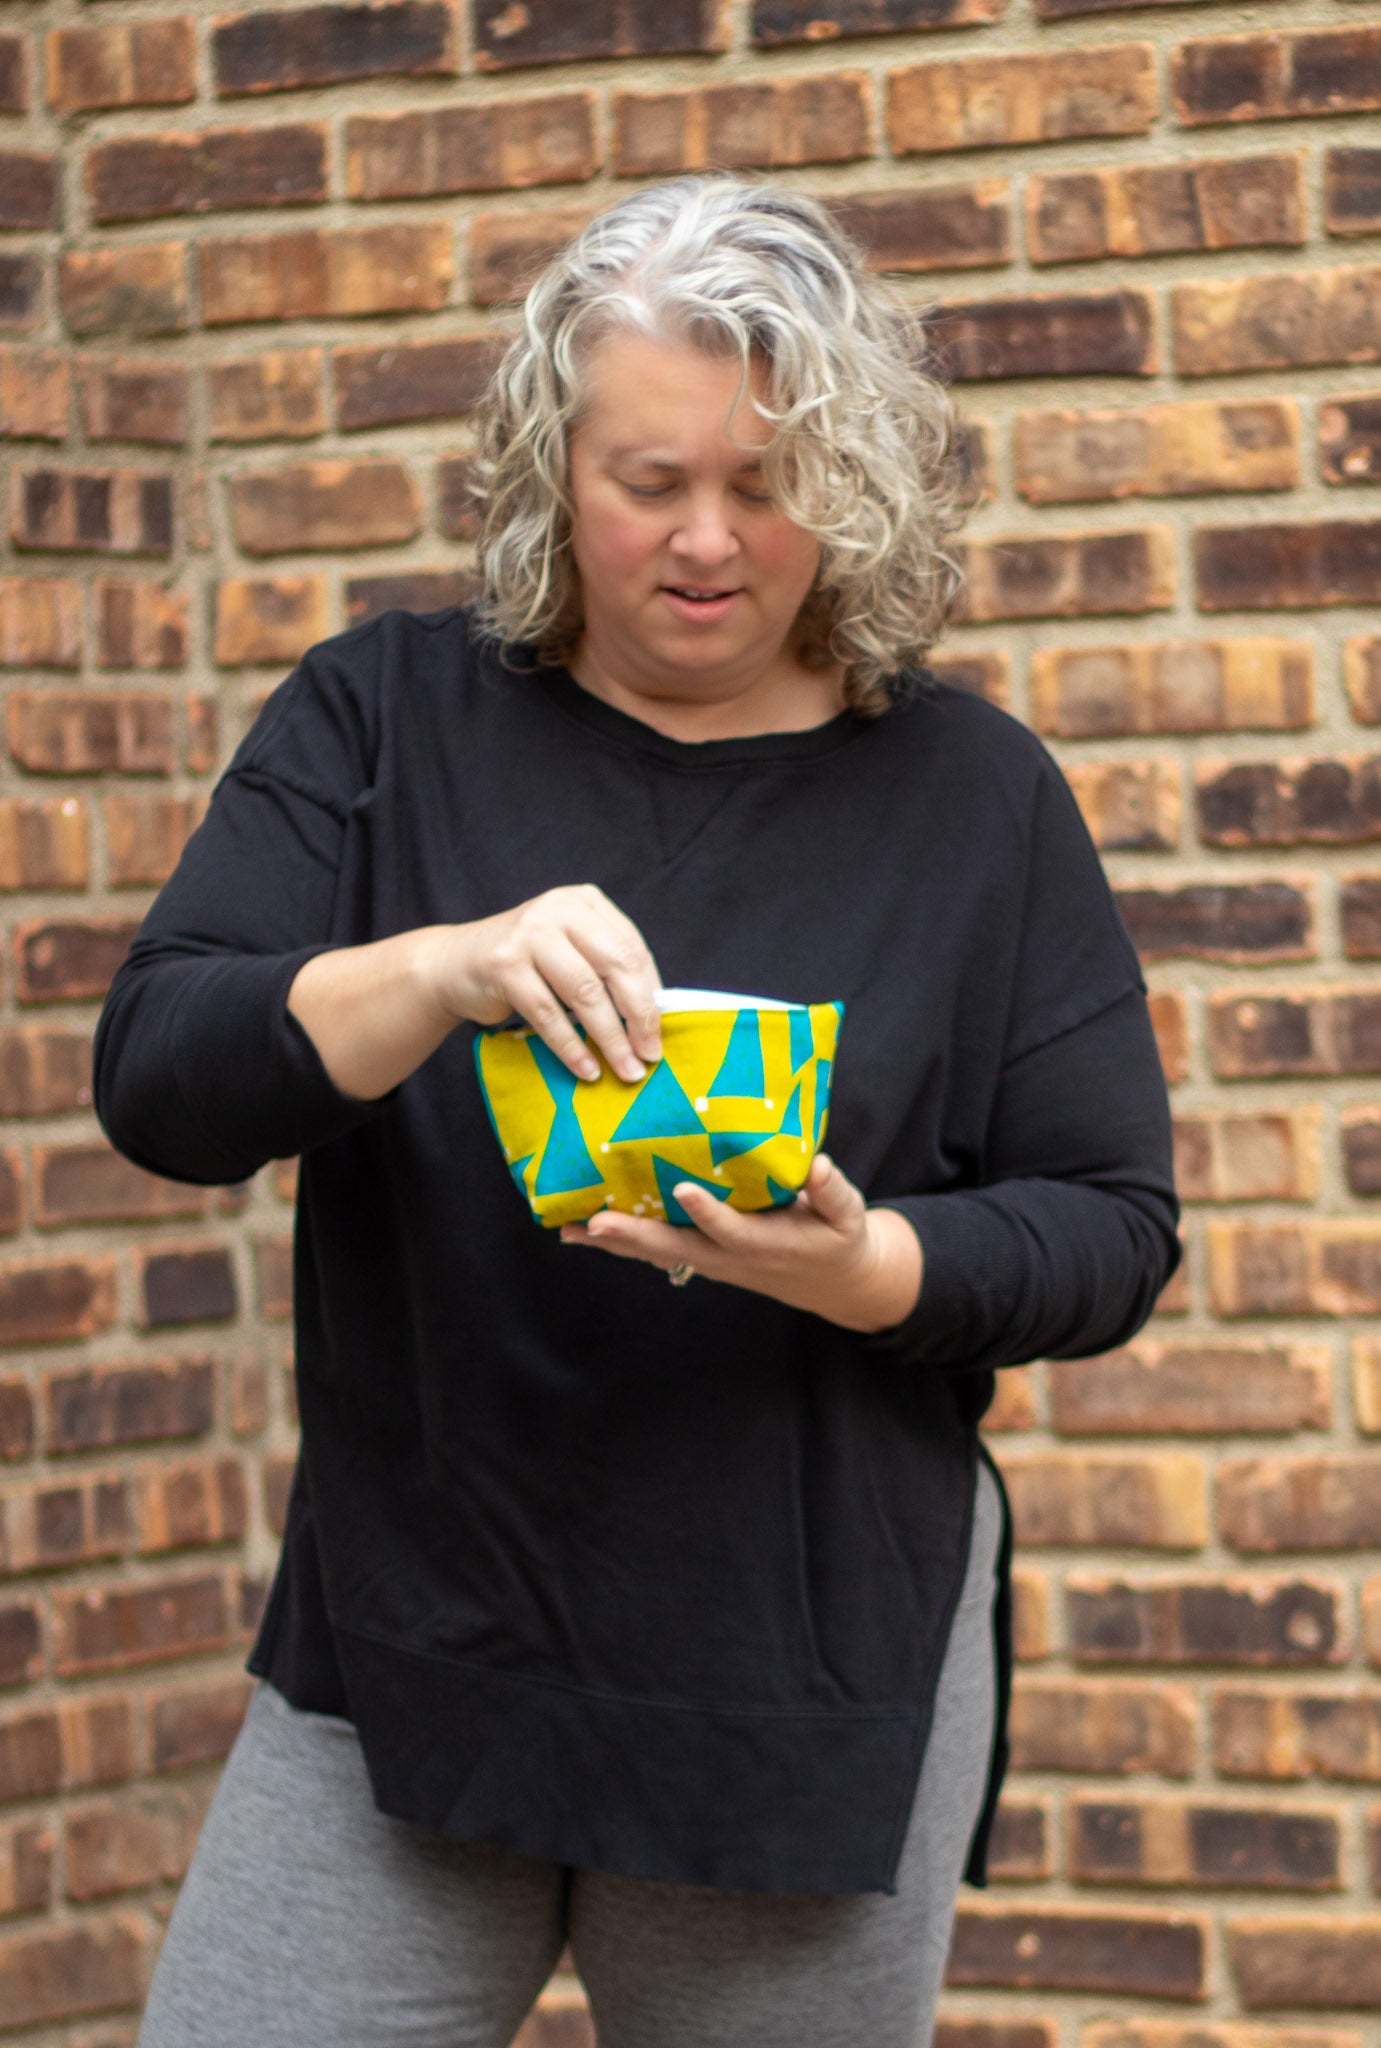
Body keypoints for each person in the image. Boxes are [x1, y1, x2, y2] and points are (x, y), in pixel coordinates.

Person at [96, 176, 1179, 2048]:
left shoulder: (975, 799)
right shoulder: (381, 721)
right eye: (644, 479)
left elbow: (1107, 1226)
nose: (704, 541)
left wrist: (864, 1266)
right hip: (410, 1650)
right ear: (548, 468)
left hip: (795, 1680)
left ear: (847, 485)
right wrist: (438, 967)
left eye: (762, 485)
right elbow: (162, 1077)